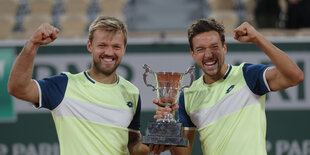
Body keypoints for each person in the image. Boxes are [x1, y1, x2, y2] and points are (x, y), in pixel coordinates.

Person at [153, 18, 304, 154]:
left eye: (214, 47)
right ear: (192, 54)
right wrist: (169, 125)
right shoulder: (187, 96)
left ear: (224, 48)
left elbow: (295, 77)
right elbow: (183, 154)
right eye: (200, 49)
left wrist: (258, 39)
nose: (208, 54)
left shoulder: (247, 75)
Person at [8, 16, 150, 155]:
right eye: (102, 45)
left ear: (124, 49)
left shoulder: (132, 92)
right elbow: (18, 88)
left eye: (116, 47)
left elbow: (132, 140)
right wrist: (32, 44)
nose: (109, 52)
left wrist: (148, 146)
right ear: (90, 46)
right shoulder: (64, 85)